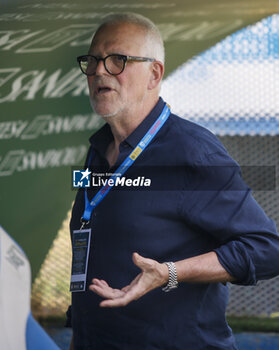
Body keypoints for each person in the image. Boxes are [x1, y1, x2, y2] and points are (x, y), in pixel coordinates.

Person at [67, 12, 279, 350]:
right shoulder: (99, 150)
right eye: (92, 61)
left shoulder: (192, 153)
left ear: (154, 73)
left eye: (117, 60)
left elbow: (267, 248)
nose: (99, 71)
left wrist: (171, 272)